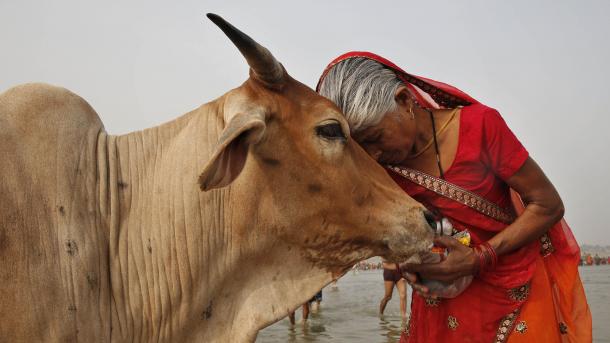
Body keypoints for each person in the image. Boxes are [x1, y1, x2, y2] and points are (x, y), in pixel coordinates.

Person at [317, 52, 591, 342]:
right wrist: (410, 266)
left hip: (514, 288)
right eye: (363, 149)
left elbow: (548, 204)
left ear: (404, 101)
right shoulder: (381, 169)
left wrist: (477, 258)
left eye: (374, 138)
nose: (373, 155)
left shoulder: (481, 127)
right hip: (442, 301)